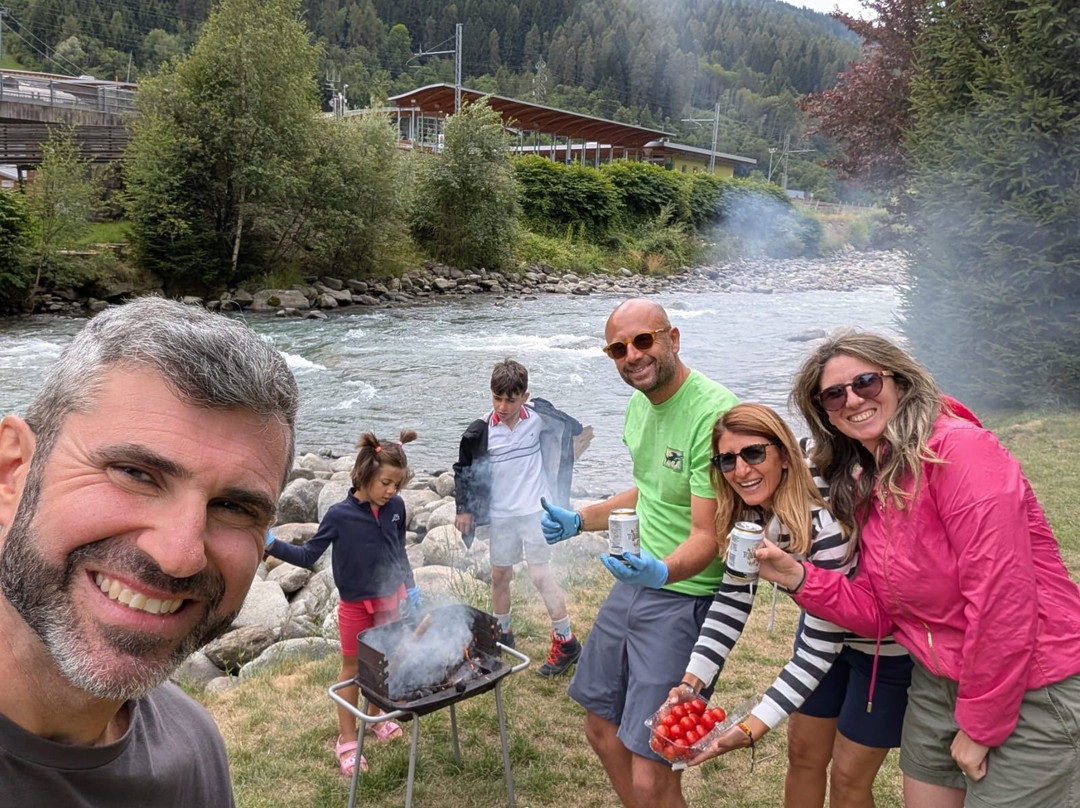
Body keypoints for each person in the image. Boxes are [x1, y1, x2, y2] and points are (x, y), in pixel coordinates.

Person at [757, 330, 1080, 808]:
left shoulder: (961, 451)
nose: (853, 400)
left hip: (1031, 682)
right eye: (834, 395)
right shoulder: (872, 476)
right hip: (937, 680)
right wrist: (797, 577)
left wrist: (980, 725)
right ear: (825, 413)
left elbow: (1003, 601)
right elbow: (880, 613)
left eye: (866, 382)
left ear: (900, 381)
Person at [0, 297, 298, 806]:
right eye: (135, 474)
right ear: (12, 472)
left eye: (233, 507)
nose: (180, 555)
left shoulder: (194, 751)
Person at [541, 298, 738, 808]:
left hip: (686, 598)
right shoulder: (639, 407)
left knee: (654, 762)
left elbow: (709, 533)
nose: (632, 355)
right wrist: (580, 519)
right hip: (634, 588)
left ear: (673, 339)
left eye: (643, 340)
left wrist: (661, 572)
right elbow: (649, 491)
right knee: (600, 727)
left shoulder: (714, 415)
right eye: (618, 349)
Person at [664, 403, 911, 808]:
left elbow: (818, 651)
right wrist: (692, 683)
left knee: (849, 780)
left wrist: (752, 727)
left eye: (753, 453)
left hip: (882, 650)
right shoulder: (751, 513)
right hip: (824, 630)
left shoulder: (823, 526)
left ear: (783, 453)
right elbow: (732, 599)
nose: (741, 470)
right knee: (803, 756)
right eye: (727, 460)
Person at [266, 430, 420, 777]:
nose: (392, 491)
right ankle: (348, 740)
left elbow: (399, 552)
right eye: (386, 483)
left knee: (384, 662)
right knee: (352, 669)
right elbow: (308, 555)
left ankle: (376, 717)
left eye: (397, 484)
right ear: (365, 475)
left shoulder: (396, 508)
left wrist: (410, 589)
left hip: (391, 598)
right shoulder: (339, 515)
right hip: (355, 606)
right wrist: (272, 545)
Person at [453, 359, 583, 677]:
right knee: (500, 575)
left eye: (510, 400)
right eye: (497, 398)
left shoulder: (538, 420)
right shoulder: (481, 431)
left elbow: (573, 429)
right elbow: (463, 469)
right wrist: (464, 508)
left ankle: (566, 641)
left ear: (524, 397)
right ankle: (503, 635)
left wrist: (544, 408)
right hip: (502, 516)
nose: (502, 407)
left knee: (540, 575)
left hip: (535, 512)